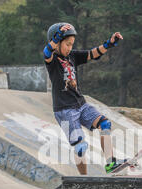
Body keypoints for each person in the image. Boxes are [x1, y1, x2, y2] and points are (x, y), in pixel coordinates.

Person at [43, 22, 126, 175]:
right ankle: (84, 178)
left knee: (105, 124)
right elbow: (46, 52)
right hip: (64, 111)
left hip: (81, 105)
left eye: (71, 44)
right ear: (56, 44)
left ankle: (111, 164)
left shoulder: (72, 56)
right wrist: (56, 38)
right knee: (80, 146)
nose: (69, 48)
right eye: (67, 44)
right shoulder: (52, 61)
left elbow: (92, 53)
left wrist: (109, 43)